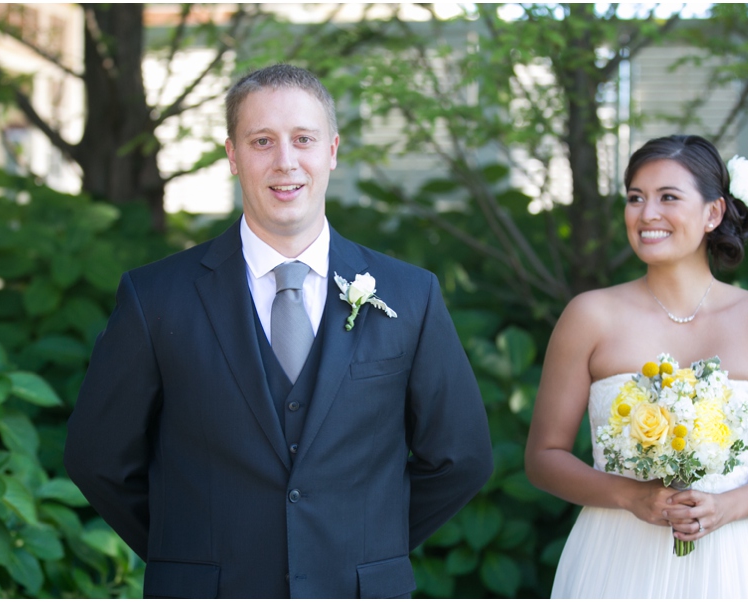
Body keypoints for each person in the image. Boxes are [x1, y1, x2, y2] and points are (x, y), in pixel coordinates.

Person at [64, 64, 493, 598]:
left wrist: (362, 542)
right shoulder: (155, 299)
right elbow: (97, 457)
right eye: (262, 140)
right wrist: (189, 549)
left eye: (303, 139)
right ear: (232, 155)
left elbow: (462, 456)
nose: (285, 161)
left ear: (332, 151)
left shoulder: (411, 296)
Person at [524, 135, 748, 598]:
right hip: (612, 562)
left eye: (668, 198)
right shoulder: (589, 316)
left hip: (730, 565)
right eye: (635, 198)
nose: (646, 214)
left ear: (713, 213)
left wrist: (726, 507)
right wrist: (631, 496)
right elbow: (543, 459)